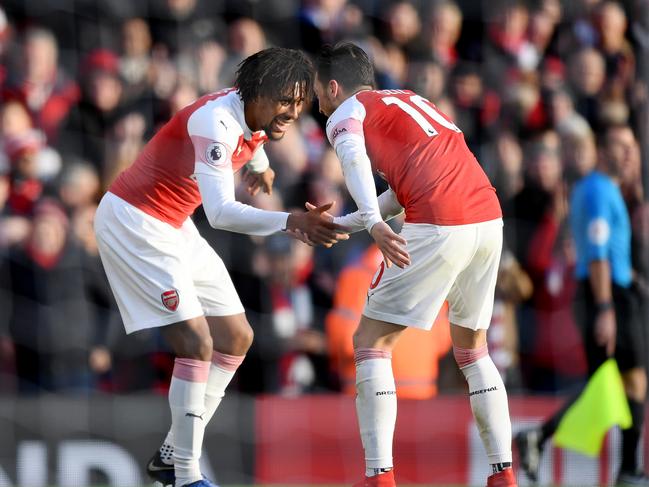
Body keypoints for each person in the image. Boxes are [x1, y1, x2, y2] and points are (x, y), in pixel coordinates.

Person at [93, 47, 349, 487]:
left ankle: (172, 452)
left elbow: (256, 139)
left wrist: (261, 167)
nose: (292, 111)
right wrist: (291, 221)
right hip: (135, 222)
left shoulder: (255, 114)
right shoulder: (215, 124)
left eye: (298, 101)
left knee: (237, 336)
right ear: (256, 93)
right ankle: (187, 475)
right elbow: (221, 214)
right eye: (285, 101)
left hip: (173, 223)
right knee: (196, 342)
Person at [311, 42, 517, 487]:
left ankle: (378, 476)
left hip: (440, 221)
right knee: (473, 349)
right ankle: (503, 474)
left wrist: (368, 222)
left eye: (317, 91)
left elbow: (352, 159)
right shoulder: (409, 100)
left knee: (370, 340)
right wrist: (347, 223)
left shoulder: (346, 112)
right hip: (488, 218)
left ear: (332, 86)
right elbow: (406, 185)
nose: (317, 102)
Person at [516, 124, 648, 486]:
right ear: (603, 151)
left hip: (611, 292)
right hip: (608, 295)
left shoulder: (604, 190)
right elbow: (599, 252)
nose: (628, 153)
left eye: (632, 147)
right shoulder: (598, 191)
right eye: (621, 146)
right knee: (631, 380)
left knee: (609, 383)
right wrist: (606, 307)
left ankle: (540, 438)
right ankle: (629, 469)